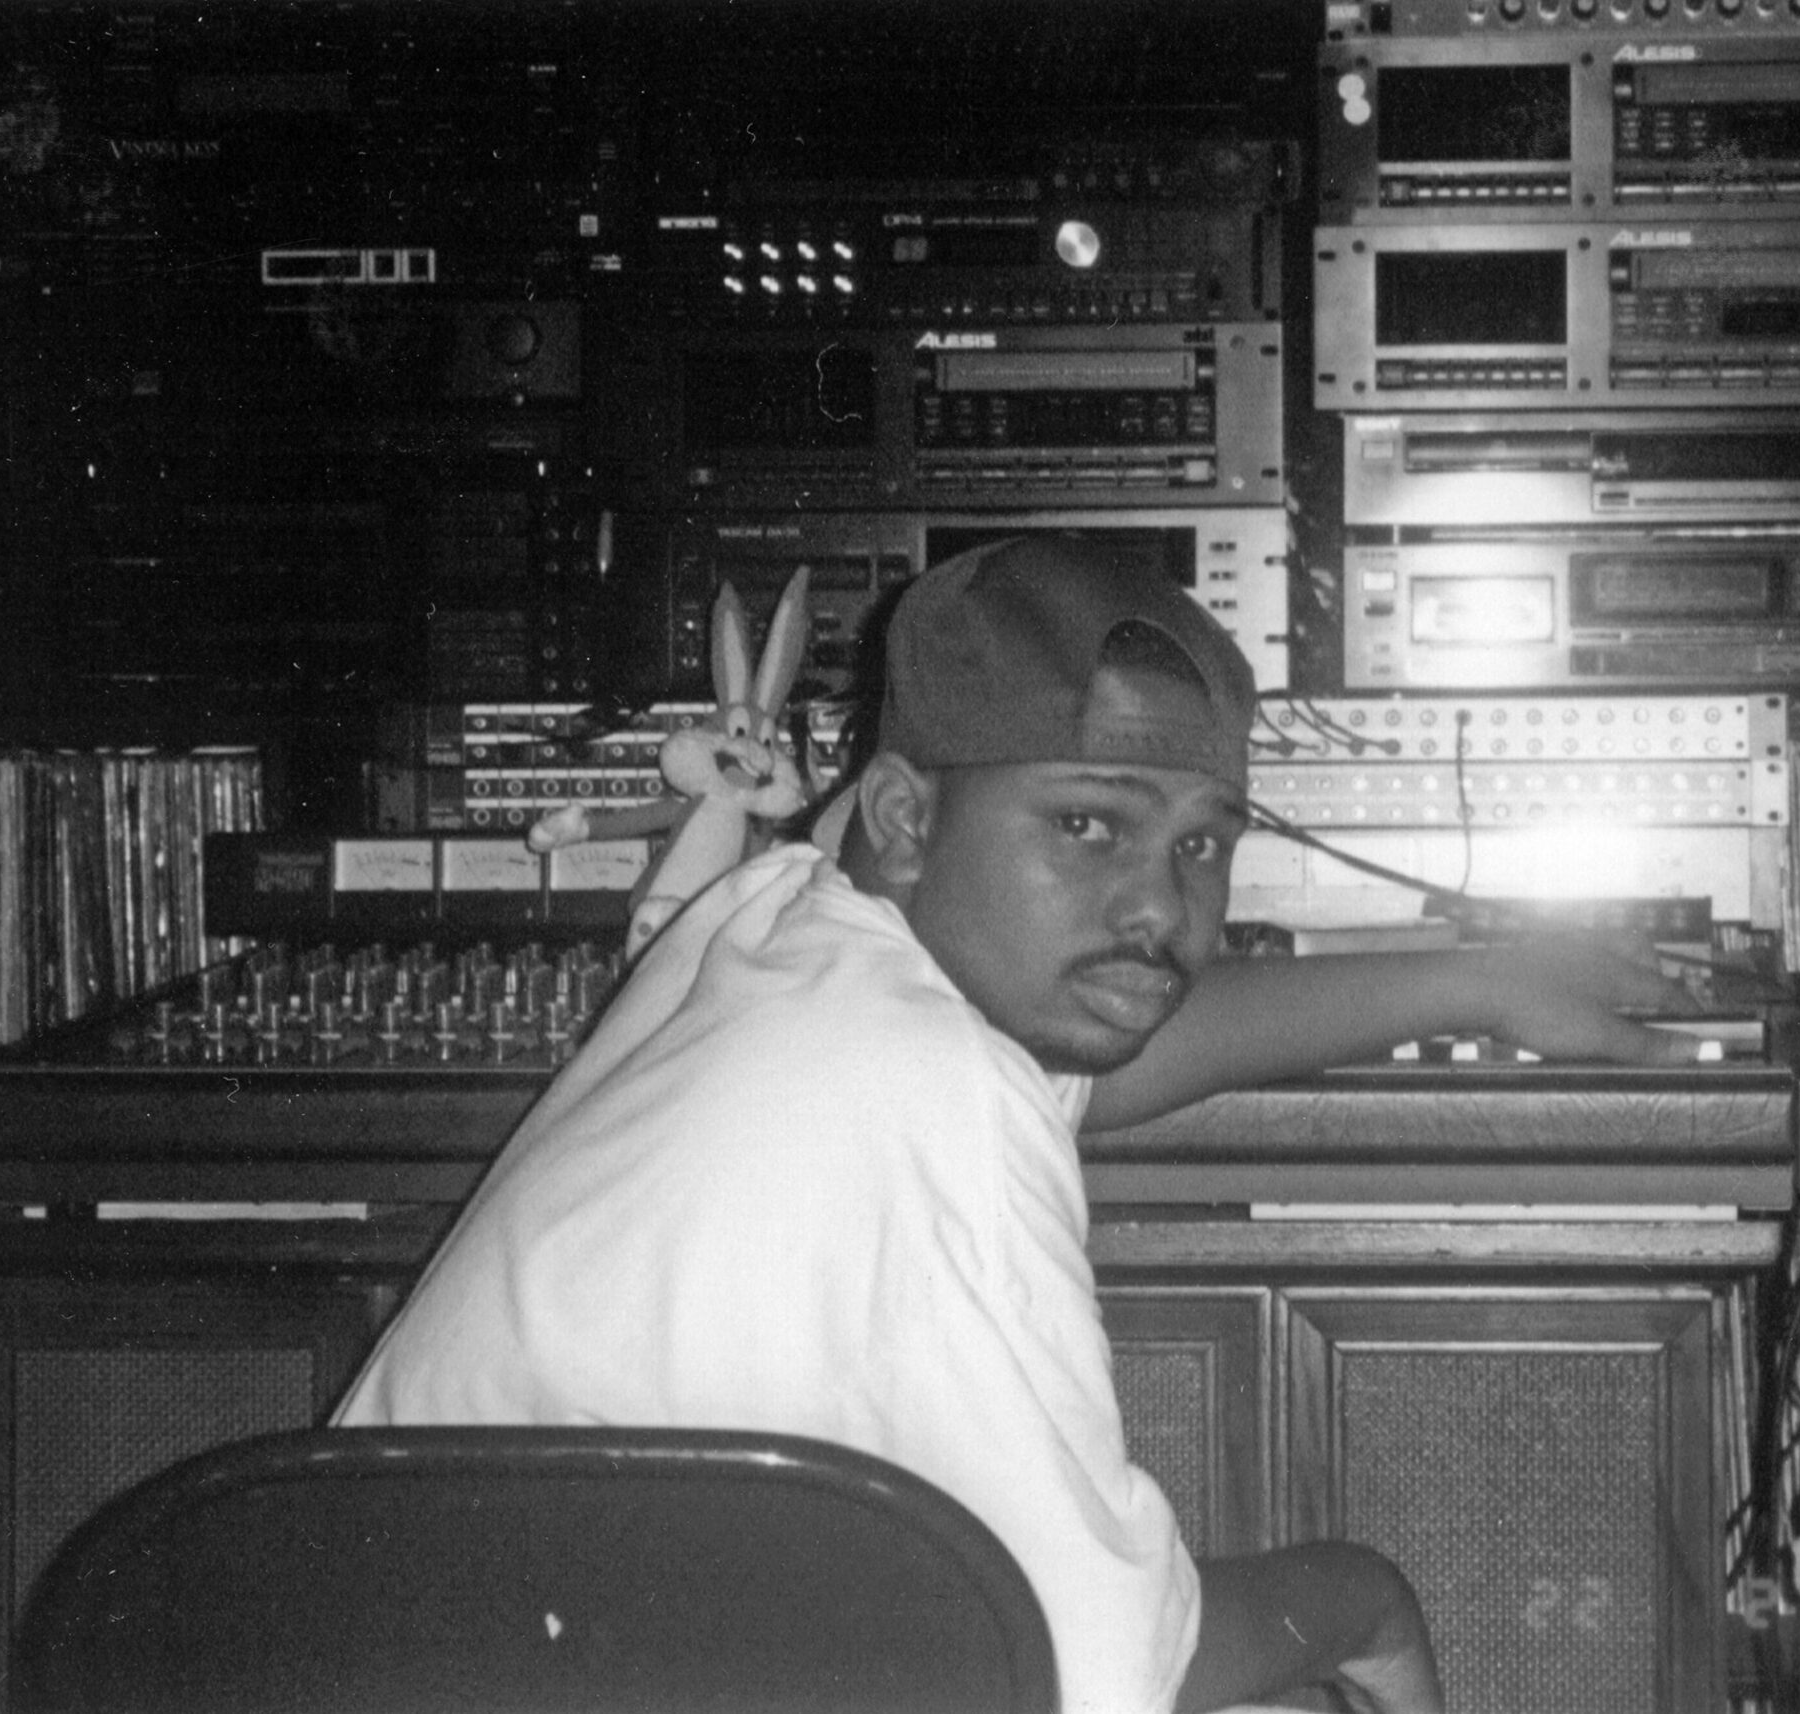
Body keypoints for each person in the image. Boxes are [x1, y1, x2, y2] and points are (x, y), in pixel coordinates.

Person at [333, 535, 1709, 1714]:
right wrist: (1370, 1603)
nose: (1165, 910)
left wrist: (1475, 978)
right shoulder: (933, 1087)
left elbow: (1105, 1060)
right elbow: (1095, 1666)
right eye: (1088, 825)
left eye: (1201, 843)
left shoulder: (770, 920)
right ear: (907, 815)